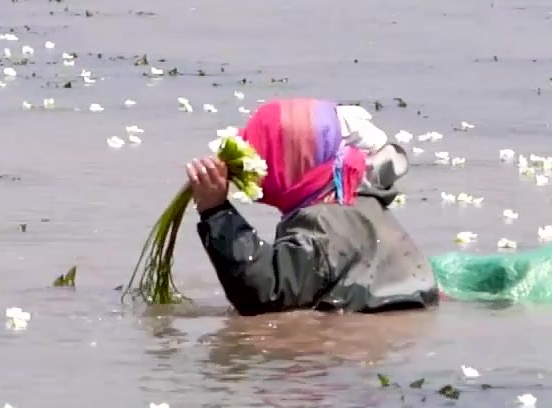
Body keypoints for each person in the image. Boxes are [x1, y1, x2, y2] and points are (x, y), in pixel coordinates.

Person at [186, 98, 438, 315]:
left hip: (369, 326)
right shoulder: (361, 203)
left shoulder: (321, 221)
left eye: (267, 151)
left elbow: (269, 295)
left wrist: (217, 213)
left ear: (293, 162)